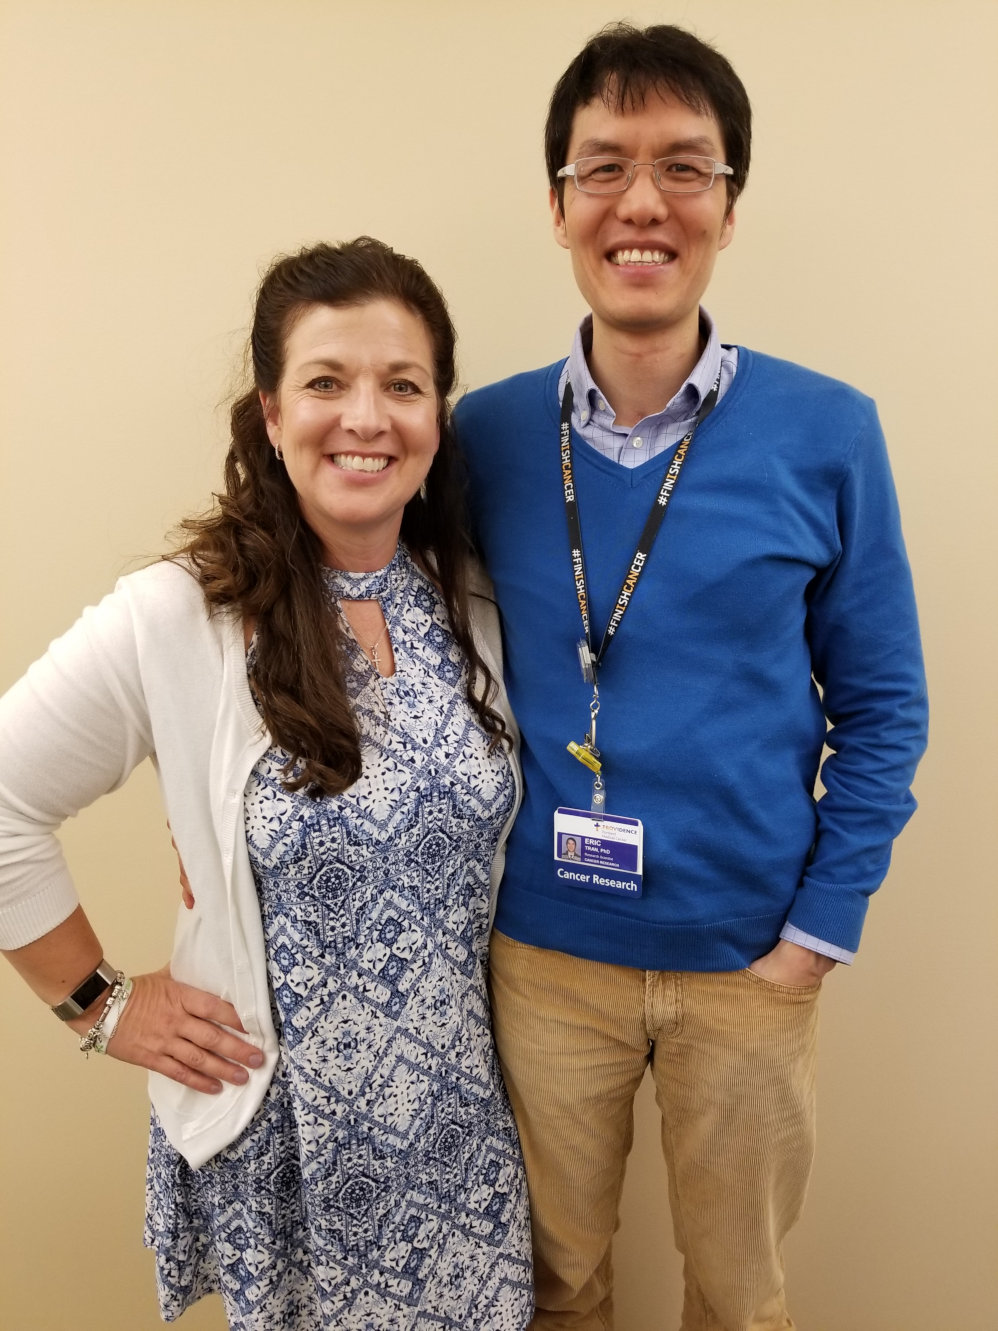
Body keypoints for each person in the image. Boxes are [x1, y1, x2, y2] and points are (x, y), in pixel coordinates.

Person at [454, 23, 928, 1331]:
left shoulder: (829, 430)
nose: (642, 202)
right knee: (550, 1285)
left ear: (728, 203)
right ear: (556, 204)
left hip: (747, 960)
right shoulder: (480, 436)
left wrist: (815, 930)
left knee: (736, 1295)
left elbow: (882, 701)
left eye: (683, 167)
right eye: (603, 167)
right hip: (544, 952)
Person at [0, 237, 533, 1329]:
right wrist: (101, 1005)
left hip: (458, 1135)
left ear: (439, 413)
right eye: (326, 382)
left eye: (402, 384)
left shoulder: (468, 597)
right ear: (270, 413)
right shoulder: (180, 614)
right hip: (288, 1146)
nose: (366, 417)